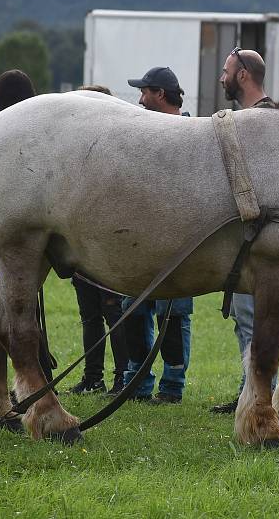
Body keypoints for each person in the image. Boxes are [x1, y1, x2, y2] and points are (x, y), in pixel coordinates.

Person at [211, 47, 278, 414]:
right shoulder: (243, 118)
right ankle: (247, 389)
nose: (222, 77)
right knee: (244, 320)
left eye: (226, 70)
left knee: (254, 321)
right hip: (241, 243)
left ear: (242, 75)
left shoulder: (266, 121)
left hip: (261, 245)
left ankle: (259, 394)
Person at [122, 67, 193, 404]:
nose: (140, 99)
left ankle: (172, 386)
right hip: (141, 240)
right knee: (132, 310)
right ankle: (137, 381)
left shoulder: (193, 134)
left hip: (178, 243)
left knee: (173, 316)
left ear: (160, 95)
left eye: (146, 91)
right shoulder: (142, 134)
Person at [66, 84, 129, 396]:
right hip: (81, 251)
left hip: (104, 252)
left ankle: (122, 378)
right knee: (90, 317)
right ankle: (93, 378)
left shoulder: (111, 158)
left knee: (112, 314)